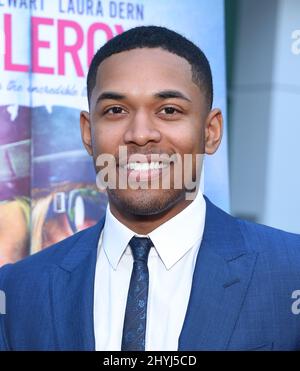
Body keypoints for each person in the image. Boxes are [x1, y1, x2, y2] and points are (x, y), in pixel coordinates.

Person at [1, 25, 300, 351]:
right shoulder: (18, 291)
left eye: (169, 110)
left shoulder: (290, 272)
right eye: (116, 110)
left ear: (211, 131)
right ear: (88, 133)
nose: (140, 134)